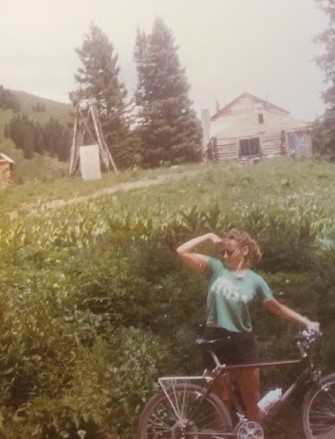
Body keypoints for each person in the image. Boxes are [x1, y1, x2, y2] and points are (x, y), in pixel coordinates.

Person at [176, 229, 320, 422]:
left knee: (252, 403)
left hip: (241, 340)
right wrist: (209, 237)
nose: (225, 255)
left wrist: (306, 322)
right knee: (221, 401)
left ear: (244, 251)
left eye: (230, 251)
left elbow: (277, 308)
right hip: (215, 337)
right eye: (223, 252)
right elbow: (181, 251)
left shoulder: (255, 281)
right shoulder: (216, 268)